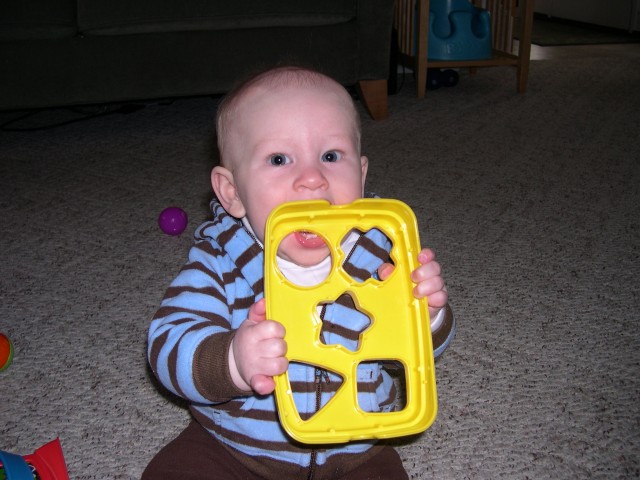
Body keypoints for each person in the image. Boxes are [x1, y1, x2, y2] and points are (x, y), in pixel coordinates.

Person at [143, 66, 456, 480]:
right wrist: (234, 360)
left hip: (357, 446)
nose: (312, 178)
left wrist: (428, 313)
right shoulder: (218, 259)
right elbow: (167, 344)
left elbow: (421, 352)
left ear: (361, 176)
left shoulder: (379, 249)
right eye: (279, 159)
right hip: (236, 447)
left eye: (330, 156)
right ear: (232, 192)